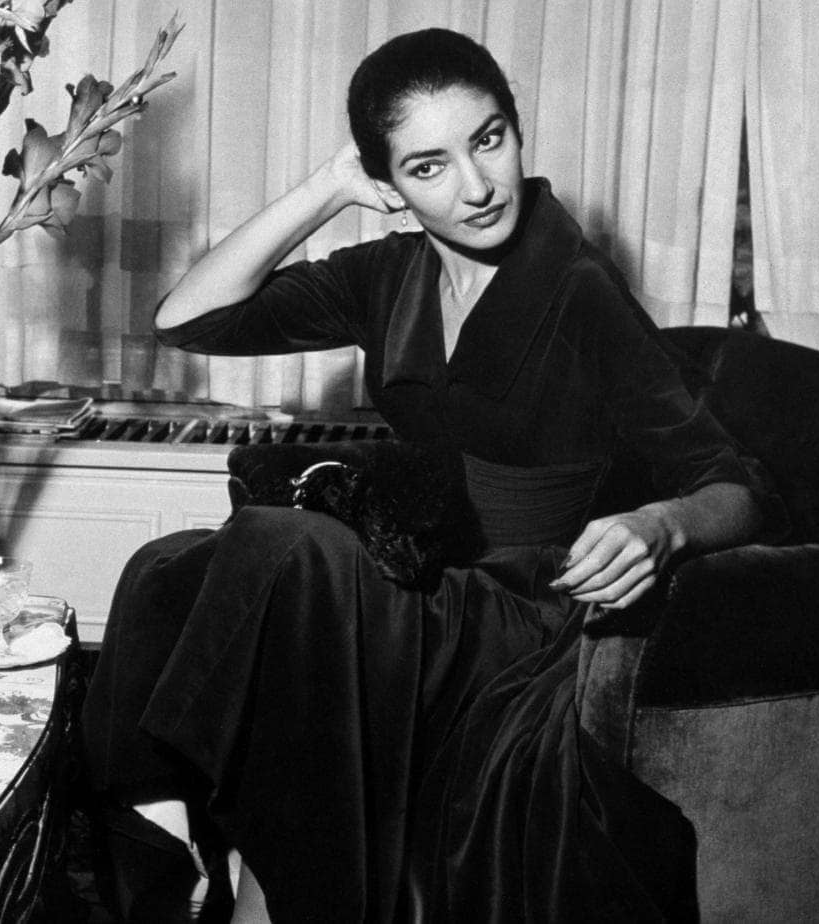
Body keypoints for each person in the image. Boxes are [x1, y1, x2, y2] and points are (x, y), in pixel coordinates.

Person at [81, 27, 780, 923]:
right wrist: (329, 185)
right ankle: (179, 828)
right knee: (169, 567)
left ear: (517, 130)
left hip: (527, 615)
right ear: (392, 186)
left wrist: (660, 525)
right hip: (429, 582)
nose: (477, 186)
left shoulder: (577, 289)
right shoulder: (391, 274)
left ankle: (253, 870)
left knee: (284, 547)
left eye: (489, 140)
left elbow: (738, 488)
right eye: (428, 166)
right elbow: (188, 319)